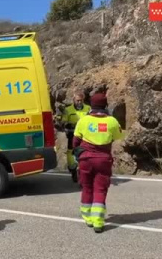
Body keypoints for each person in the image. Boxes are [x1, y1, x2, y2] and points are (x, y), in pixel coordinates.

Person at [72, 93, 123, 233]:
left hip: (85, 159)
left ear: (91, 105)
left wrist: (78, 153)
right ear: (105, 105)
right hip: (103, 160)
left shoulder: (83, 120)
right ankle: (98, 222)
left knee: (87, 187)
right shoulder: (112, 121)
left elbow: (75, 141)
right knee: (100, 189)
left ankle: (88, 218)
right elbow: (118, 137)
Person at [61, 91, 91, 182]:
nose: (79, 102)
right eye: (77, 100)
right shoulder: (68, 110)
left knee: (86, 150)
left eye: (81, 100)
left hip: (85, 134)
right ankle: (72, 168)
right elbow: (64, 121)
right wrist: (64, 122)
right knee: (71, 151)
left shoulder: (88, 108)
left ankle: (86, 169)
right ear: (73, 100)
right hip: (72, 133)